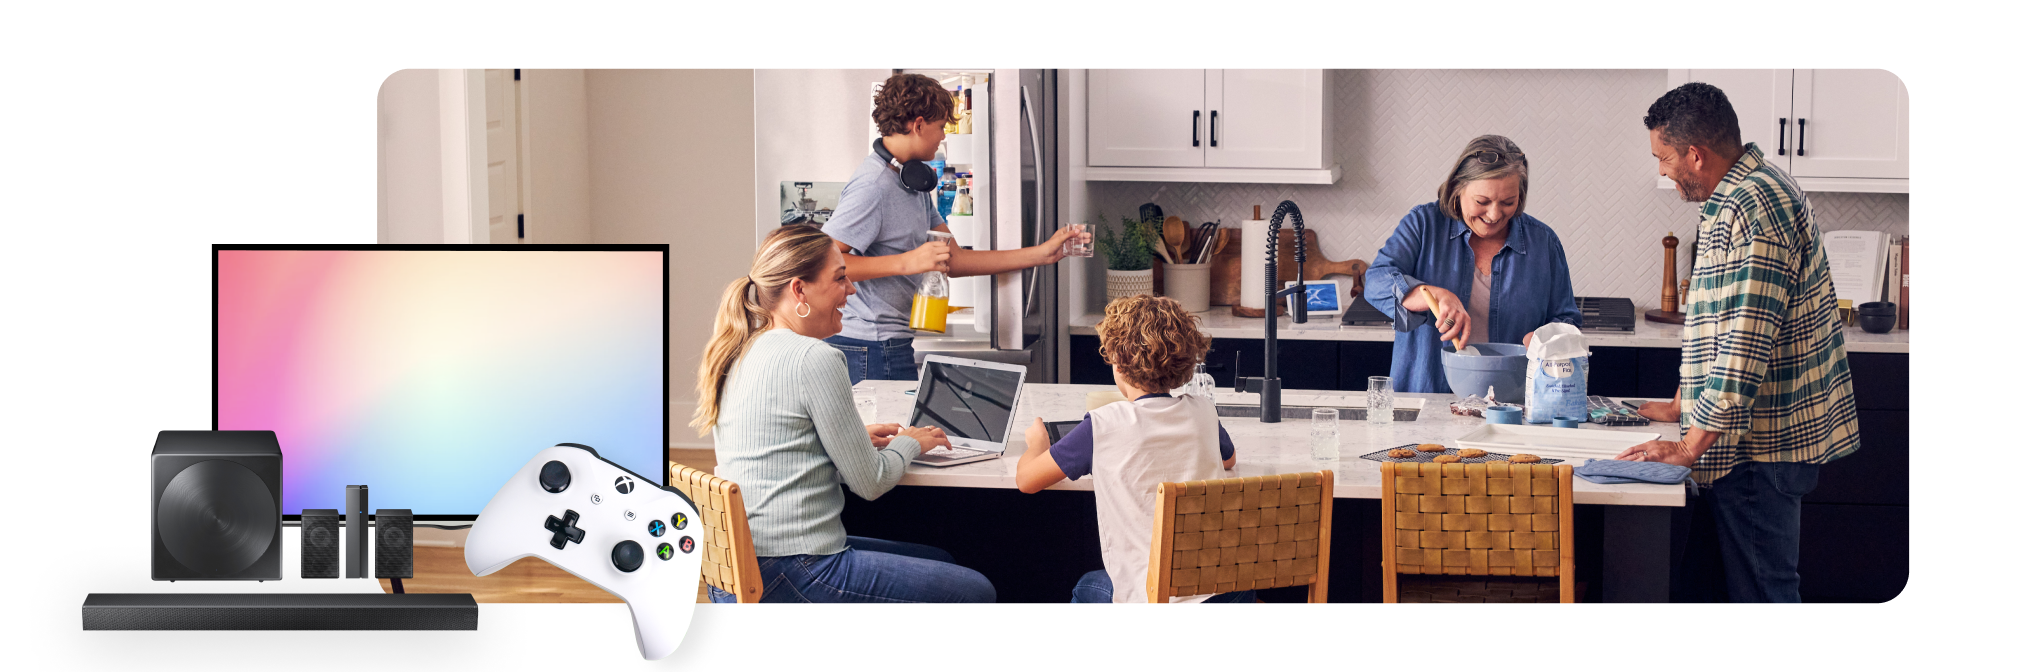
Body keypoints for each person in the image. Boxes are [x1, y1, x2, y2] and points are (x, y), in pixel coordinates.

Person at [1616, 82, 1859, 603]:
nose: (1661, 169)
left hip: (1757, 448)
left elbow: (1745, 348)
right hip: (1743, 440)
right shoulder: (1745, 193)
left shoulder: (1754, 207)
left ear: (1695, 155)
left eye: (1663, 157)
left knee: (1762, 596)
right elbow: (1721, 321)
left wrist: (1685, 447)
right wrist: (1683, 404)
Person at [691, 224, 995, 603]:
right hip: (791, 568)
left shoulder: (737, 349)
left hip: (741, 567)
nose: (851, 290)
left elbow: (770, 449)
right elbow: (871, 482)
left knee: (941, 560)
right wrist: (909, 442)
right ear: (799, 289)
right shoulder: (814, 358)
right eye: (840, 279)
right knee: (975, 591)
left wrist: (847, 440)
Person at [822, 73, 1087, 384]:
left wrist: (1041, 254)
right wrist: (908, 262)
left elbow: (955, 259)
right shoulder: (873, 186)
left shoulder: (912, 182)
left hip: (892, 344)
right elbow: (825, 263)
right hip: (866, 347)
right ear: (918, 125)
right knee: (895, 434)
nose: (943, 137)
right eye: (940, 127)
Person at [1012, 295, 1251, 604]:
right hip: (1228, 592)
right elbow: (1229, 458)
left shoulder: (1103, 425)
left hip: (1158, 599)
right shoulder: (1203, 410)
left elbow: (1026, 481)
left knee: (1087, 586)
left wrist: (1038, 443)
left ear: (1118, 361)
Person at [1362, 135, 1583, 394]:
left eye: (1508, 202)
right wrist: (1436, 295)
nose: (1494, 214)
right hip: (1429, 396)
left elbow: (1567, 319)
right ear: (1458, 187)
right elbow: (1376, 281)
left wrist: (1548, 339)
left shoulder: (1543, 242)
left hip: (1512, 405)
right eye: (1482, 202)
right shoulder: (1423, 225)